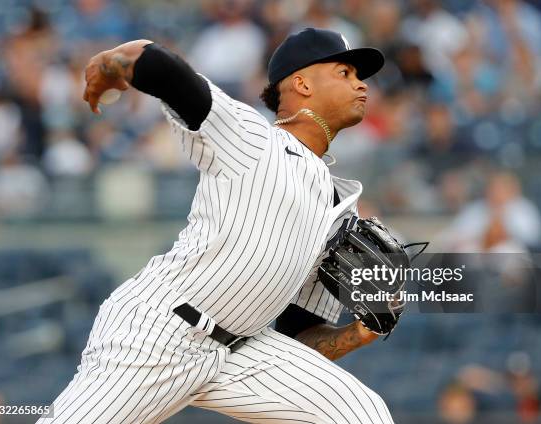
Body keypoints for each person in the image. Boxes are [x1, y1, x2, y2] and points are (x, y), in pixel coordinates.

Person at [38, 28, 395, 423]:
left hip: (242, 353)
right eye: (345, 72)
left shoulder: (339, 207)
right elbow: (160, 66)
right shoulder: (253, 138)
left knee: (361, 414)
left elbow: (300, 337)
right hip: (161, 334)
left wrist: (359, 332)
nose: (361, 84)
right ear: (302, 83)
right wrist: (108, 63)